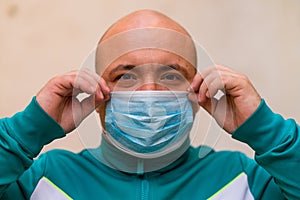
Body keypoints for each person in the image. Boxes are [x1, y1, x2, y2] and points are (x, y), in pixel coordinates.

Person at [0, 10, 299, 200]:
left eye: (171, 75)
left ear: (198, 93)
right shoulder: (44, 179)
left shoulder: (244, 180)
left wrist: (264, 128)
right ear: (97, 94)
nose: (149, 92)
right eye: (126, 76)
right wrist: (28, 129)